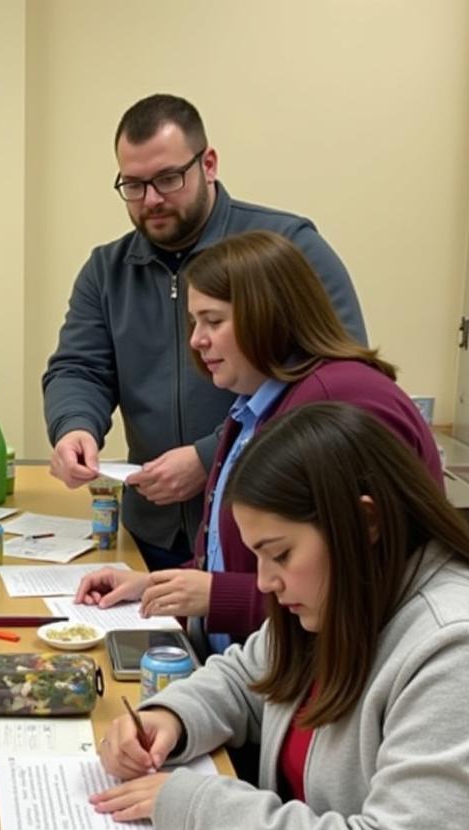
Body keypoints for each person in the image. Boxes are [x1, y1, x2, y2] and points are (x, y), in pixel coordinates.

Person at [93, 403, 469, 830]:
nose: (264, 583)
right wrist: (172, 717)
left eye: (279, 553)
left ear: (364, 523)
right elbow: (245, 677)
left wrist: (199, 803)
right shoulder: (340, 594)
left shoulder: (445, 645)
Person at [74, 231, 441, 655]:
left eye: (213, 321)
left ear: (269, 316)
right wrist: (154, 585)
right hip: (253, 667)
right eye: (194, 323)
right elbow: (228, 557)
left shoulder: (339, 400)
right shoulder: (256, 403)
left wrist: (218, 596)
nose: (196, 340)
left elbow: (364, 586)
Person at [43, 93, 366, 570]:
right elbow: (79, 368)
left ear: (208, 163)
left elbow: (333, 383)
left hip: (264, 538)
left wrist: (211, 455)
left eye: (168, 179)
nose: (151, 200)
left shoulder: (287, 248)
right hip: (151, 530)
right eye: (133, 185)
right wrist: (74, 426)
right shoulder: (106, 270)